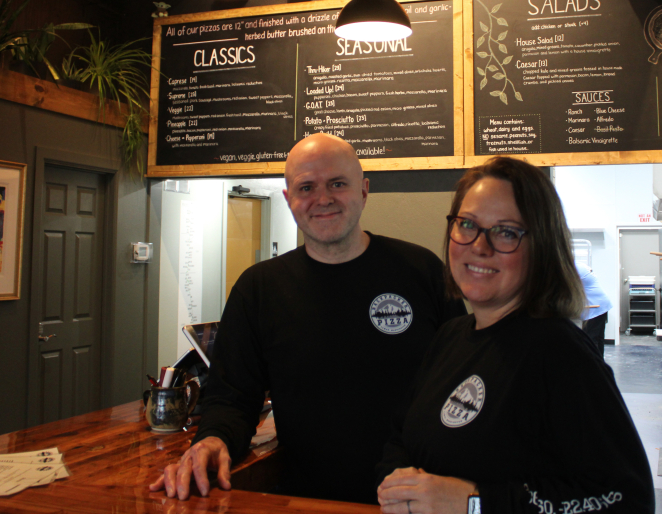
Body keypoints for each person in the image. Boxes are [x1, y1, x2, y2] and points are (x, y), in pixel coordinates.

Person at [150, 133, 465, 504]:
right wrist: (213, 439)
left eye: (337, 183)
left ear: (363, 191)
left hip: (418, 499)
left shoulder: (422, 270)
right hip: (307, 500)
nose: (323, 198)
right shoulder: (259, 289)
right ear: (288, 199)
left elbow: (461, 381)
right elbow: (232, 397)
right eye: (306, 187)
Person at [376, 156, 654, 514]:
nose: (479, 245)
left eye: (506, 232)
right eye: (467, 224)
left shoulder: (559, 353)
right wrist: (397, 483)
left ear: (541, 247)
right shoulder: (451, 336)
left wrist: (475, 503)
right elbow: (402, 436)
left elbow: (626, 499)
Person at [577, 262, 612, 357]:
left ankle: (593, 366)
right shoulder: (580, 266)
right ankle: (600, 365)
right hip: (600, 304)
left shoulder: (574, 269)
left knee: (590, 339)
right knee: (598, 338)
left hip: (595, 307)